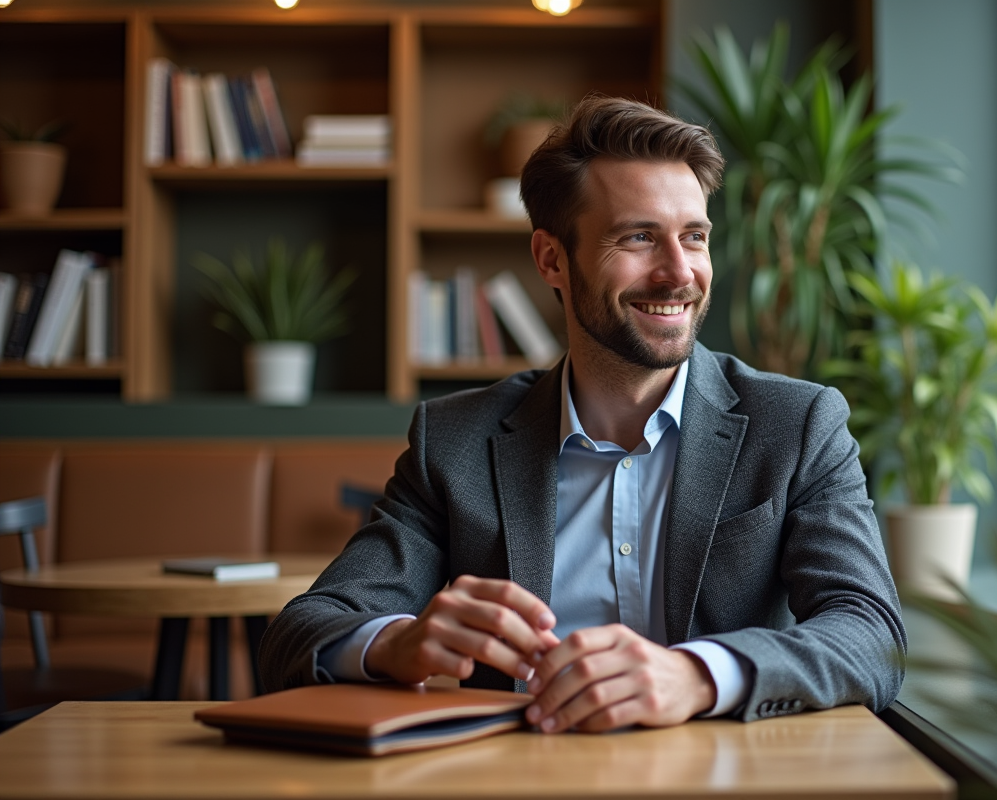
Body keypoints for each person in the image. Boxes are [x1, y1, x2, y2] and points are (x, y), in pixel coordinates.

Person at [259, 96, 905, 732]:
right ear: (551, 259)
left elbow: (872, 635)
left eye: (694, 237)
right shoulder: (455, 441)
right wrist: (396, 642)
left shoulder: (797, 424)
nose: (679, 272)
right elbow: (303, 630)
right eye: (639, 237)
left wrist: (697, 675)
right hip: (519, 773)